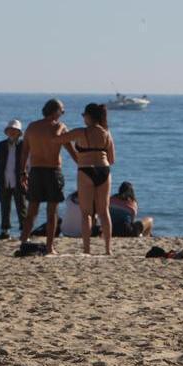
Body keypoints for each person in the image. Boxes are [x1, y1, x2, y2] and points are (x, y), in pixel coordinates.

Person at [47, 103, 116, 255]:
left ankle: (87, 249)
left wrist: (60, 126)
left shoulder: (80, 132)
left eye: (84, 115)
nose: (83, 117)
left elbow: (55, 139)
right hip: (104, 170)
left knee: (86, 213)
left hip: (86, 169)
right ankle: (108, 249)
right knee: (104, 211)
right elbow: (112, 159)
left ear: (89, 116)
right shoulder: (106, 133)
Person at [19, 99, 69, 254]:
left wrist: (22, 172)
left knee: (32, 210)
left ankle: (23, 242)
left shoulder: (32, 127)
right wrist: (84, 165)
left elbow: (24, 151)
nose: (63, 113)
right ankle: (49, 247)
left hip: (35, 171)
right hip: (53, 171)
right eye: (62, 110)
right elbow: (71, 150)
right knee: (51, 211)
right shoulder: (59, 127)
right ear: (55, 111)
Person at [0, 119, 26, 239]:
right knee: (4, 206)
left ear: (18, 132)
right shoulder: (1, 145)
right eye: (10, 130)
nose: (12, 132)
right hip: (4, 180)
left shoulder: (24, 145)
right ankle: (5, 231)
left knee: (21, 206)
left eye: (14, 130)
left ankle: (24, 231)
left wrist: (26, 178)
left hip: (19, 180)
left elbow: (29, 163)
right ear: (7, 132)